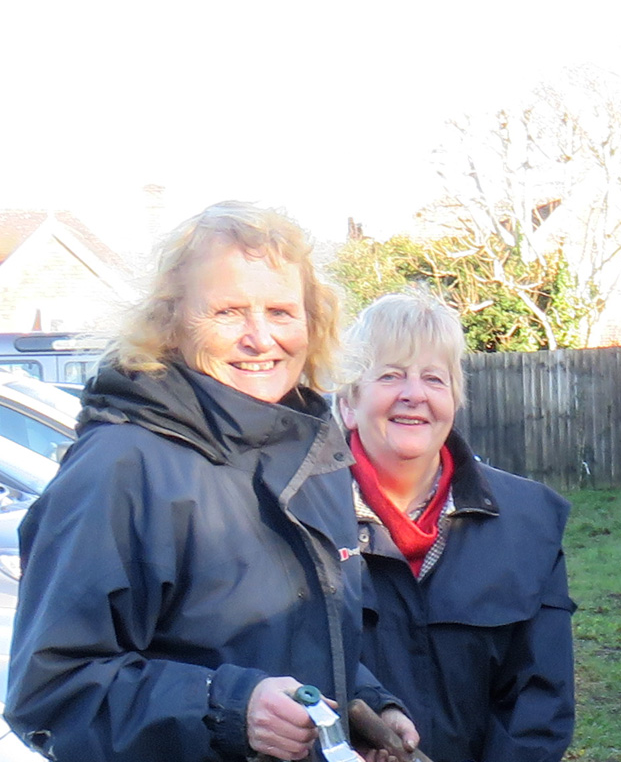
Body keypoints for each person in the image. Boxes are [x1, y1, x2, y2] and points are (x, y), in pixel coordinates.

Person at [5, 202, 417, 761]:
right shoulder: (119, 468)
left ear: (313, 322)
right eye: (228, 312)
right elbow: (52, 693)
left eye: (281, 311)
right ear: (171, 321)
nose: (260, 338)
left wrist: (362, 706)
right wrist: (227, 710)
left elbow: (302, 637)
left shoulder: (314, 454)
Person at [341, 290, 576, 762]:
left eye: (434, 378)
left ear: (454, 399)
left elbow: (539, 701)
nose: (414, 394)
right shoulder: (299, 517)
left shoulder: (528, 520)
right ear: (349, 402)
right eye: (390, 375)